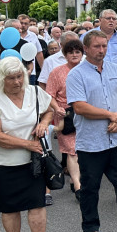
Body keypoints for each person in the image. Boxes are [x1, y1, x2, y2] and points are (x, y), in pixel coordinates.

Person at [66, 29, 117, 232]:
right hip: (91, 143)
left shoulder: (116, 69)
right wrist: (111, 115)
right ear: (86, 49)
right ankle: (91, 227)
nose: (101, 50)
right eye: (96, 46)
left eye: (104, 46)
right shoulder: (76, 75)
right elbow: (79, 107)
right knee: (90, 188)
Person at [0, 57, 55, 232]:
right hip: (6, 163)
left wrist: (43, 123)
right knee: (11, 208)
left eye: (20, 76)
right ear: (2, 80)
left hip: (33, 162)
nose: (17, 82)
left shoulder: (34, 92)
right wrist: (27, 144)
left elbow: (50, 110)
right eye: (11, 78)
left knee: (37, 204)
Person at [43, 38, 84, 193]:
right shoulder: (57, 72)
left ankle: (79, 179)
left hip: (85, 113)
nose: (74, 55)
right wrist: (56, 108)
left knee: (84, 149)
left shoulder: (88, 69)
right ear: (65, 55)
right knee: (72, 150)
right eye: (70, 52)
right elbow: (49, 95)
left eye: (77, 52)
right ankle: (77, 185)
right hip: (65, 114)